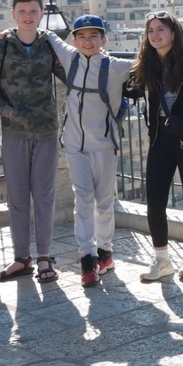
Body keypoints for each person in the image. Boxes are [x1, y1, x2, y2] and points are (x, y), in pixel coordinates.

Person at [0, 0, 63, 284]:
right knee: (17, 197)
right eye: (22, 11)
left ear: (41, 15)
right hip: (15, 131)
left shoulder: (51, 45)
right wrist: (9, 112)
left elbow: (70, 74)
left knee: (44, 195)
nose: (28, 16)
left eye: (34, 11)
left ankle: (43, 257)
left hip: (46, 129)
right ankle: (21, 258)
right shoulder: (2, 45)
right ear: (13, 14)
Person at [43, 15, 132, 287]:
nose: (87, 41)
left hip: (104, 144)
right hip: (74, 144)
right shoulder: (70, 58)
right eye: (82, 36)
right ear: (75, 40)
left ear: (104, 40)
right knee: (83, 200)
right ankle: (87, 258)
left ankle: (105, 251)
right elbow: (48, 35)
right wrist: (6, 34)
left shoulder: (116, 67)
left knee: (104, 201)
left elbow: (152, 63)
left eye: (93, 36)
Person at [128, 11, 183, 281]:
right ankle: (161, 259)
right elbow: (128, 89)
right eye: (151, 30)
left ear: (174, 33)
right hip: (160, 137)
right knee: (154, 199)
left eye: (161, 29)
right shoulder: (146, 64)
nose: (155, 35)